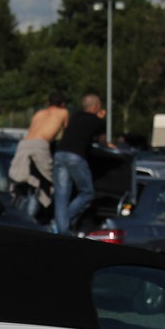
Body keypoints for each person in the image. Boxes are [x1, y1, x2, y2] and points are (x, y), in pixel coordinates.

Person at [51, 93, 106, 234]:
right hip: (76, 156)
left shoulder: (74, 117)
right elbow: (103, 142)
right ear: (96, 107)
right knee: (87, 193)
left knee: (61, 195)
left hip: (59, 153)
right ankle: (63, 223)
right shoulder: (97, 121)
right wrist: (101, 119)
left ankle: (59, 227)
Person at [10, 93, 66, 220]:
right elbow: (65, 134)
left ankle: (20, 215)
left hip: (24, 144)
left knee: (26, 182)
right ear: (63, 104)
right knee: (45, 183)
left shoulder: (39, 113)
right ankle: (33, 218)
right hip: (40, 144)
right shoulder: (63, 113)